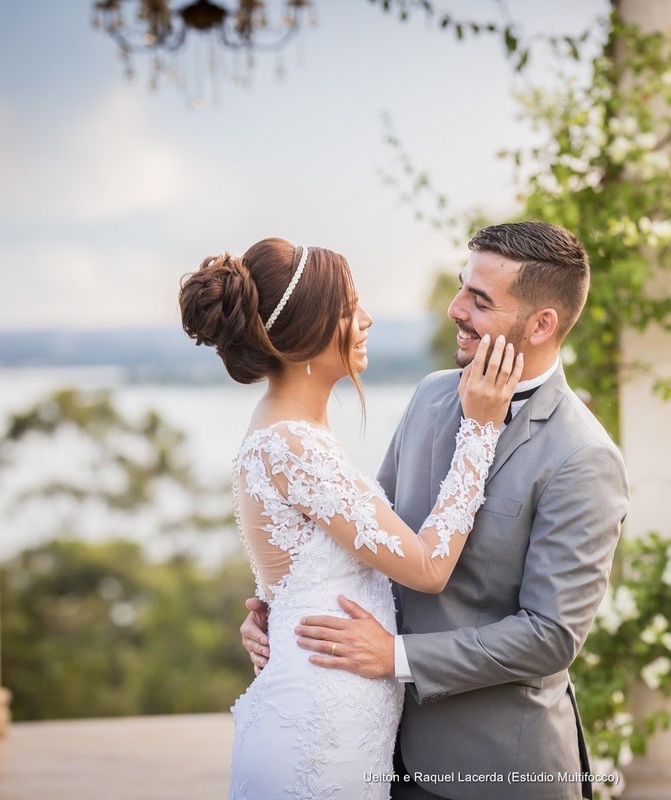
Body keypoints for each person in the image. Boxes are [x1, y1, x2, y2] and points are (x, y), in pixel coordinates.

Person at [242, 222, 630, 800]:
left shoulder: (583, 456)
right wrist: (287, 607)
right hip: (375, 749)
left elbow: (550, 636)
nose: (454, 309)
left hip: (496, 768)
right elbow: (369, 541)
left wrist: (394, 656)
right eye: (460, 288)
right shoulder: (429, 397)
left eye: (480, 300)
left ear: (542, 324)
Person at [178, 237, 523, 800]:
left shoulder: (293, 434)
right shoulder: (294, 444)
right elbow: (428, 567)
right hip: (317, 730)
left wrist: (275, 612)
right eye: (349, 307)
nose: (365, 319)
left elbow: (308, 563)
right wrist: (481, 429)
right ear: (309, 329)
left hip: (337, 716)